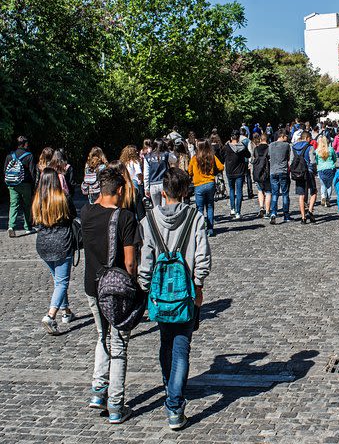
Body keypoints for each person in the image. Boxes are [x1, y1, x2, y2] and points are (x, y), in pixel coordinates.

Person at [139, 168, 211, 431]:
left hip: (160, 295)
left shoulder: (149, 220)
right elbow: (202, 256)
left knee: (165, 342)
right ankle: (175, 405)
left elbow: (145, 260)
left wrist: (145, 287)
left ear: (163, 191)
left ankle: (170, 387)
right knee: (182, 346)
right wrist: (199, 283)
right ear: (184, 191)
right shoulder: (195, 217)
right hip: (186, 292)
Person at [80, 168, 139, 424]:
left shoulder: (85, 212)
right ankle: (115, 404)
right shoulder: (125, 218)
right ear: (120, 190)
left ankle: (97, 391)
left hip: (92, 287)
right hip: (116, 290)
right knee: (119, 346)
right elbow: (129, 263)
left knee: (101, 337)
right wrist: (136, 286)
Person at [32, 168, 77, 335]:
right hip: (62, 243)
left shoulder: (37, 200)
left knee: (57, 279)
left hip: (43, 244)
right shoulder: (62, 198)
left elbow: (33, 221)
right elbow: (73, 215)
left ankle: (66, 311)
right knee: (62, 281)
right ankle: (51, 316)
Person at [188, 139, 224, 237]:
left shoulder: (194, 158)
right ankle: (210, 229)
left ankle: (201, 229)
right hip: (210, 184)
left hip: (198, 185)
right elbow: (221, 167)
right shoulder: (212, 156)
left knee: (199, 208)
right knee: (210, 206)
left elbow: (189, 171)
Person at [4, 135, 37, 238]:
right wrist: (34, 186)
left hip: (13, 184)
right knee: (27, 205)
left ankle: (11, 227)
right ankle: (28, 228)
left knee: (13, 205)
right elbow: (33, 173)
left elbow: (5, 170)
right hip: (25, 184)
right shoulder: (29, 156)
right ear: (25, 144)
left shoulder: (10, 156)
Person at [220, 130, 250, 219]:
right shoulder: (242, 147)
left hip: (229, 171)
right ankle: (238, 212)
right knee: (239, 191)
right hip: (240, 171)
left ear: (231, 137)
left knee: (232, 190)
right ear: (238, 137)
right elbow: (248, 155)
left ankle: (232, 209)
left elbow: (221, 155)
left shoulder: (226, 147)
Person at [291, 131, 317, 224]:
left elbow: (291, 161)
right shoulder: (310, 147)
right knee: (313, 192)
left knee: (301, 195)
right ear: (307, 138)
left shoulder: (293, 147)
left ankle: (303, 217)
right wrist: (314, 171)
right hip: (308, 172)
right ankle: (310, 211)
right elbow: (313, 161)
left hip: (298, 173)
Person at [143, 139, 178, 208]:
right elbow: (175, 159)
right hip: (164, 183)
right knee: (165, 207)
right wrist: (168, 150)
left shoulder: (147, 157)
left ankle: (157, 219)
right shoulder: (166, 154)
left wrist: (146, 188)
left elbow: (146, 174)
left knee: (156, 208)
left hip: (153, 184)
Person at [268, 129, 291, 224]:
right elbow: (288, 157)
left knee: (275, 193)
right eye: (286, 136)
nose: (287, 137)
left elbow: (269, 156)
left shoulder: (271, 145)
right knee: (285, 194)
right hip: (283, 171)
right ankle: (286, 215)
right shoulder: (286, 145)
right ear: (281, 136)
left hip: (273, 171)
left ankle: (273, 212)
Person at [251, 133, 272, 218]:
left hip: (258, 172)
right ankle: (267, 211)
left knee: (260, 191)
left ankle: (261, 207)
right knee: (268, 192)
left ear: (260, 139)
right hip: (267, 172)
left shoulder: (256, 149)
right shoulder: (269, 148)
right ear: (267, 140)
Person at [315, 134, 337, 207]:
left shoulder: (317, 150)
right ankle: (328, 199)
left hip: (321, 169)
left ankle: (323, 196)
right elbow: (334, 159)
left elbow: (316, 161)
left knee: (323, 185)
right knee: (329, 185)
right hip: (330, 168)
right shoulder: (330, 149)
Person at [239, 126, 254, 199]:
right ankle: (250, 193)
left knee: (240, 178)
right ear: (245, 133)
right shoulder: (247, 140)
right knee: (248, 177)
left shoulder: (237, 140)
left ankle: (240, 195)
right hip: (245, 160)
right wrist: (250, 162)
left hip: (238, 161)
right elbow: (250, 151)